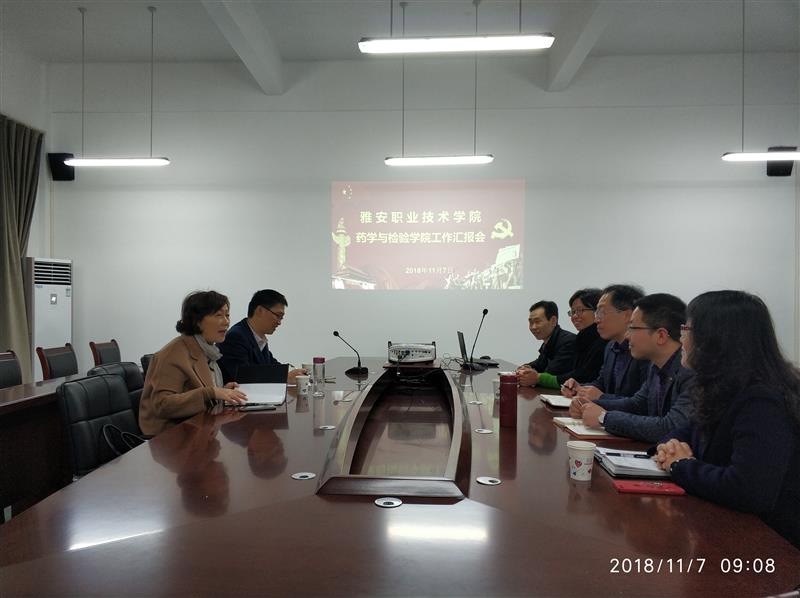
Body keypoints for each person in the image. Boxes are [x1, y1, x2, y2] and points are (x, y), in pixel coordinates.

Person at [654, 291, 800, 549]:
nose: (681, 337)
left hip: (769, 547)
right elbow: (685, 430)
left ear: (716, 338)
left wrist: (681, 466)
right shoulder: (722, 387)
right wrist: (670, 445)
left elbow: (748, 489)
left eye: (687, 329)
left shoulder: (762, 401)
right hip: (723, 528)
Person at [573, 293, 693, 443]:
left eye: (632, 328)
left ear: (661, 336)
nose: (627, 336)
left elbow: (669, 427)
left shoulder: (690, 371)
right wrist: (587, 404)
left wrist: (604, 417)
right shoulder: (657, 366)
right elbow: (637, 404)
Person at [139, 290, 247, 437]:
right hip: (171, 438)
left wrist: (221, 391)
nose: (226, 322)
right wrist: (212, 392)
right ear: (197, 321)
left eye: (227, 315)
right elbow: (162, 405)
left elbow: (199, 390)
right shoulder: (174, 354)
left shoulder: (207, 350)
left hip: (198, 431)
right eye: (218, 315)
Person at [561, 284, 649, 402]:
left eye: (602, 312)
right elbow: (602, 383)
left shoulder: (645, 350)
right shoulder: (611, 346)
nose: (596, 320)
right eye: (597, 313)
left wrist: (602, 397)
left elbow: (643, 403)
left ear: (626, 315)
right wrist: (579, 388)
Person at [218, 289, 305, 384]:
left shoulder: (258, 338)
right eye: (278, 315)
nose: (279, 322)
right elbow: (244, 377)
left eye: (281, 318)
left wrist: (294, 372)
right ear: (260, 311)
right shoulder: (236, 336)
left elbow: (271, 366)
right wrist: (284, 376)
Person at [535, 288, 606, 389]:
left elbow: (584, 375)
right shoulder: (582, 338)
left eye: (580, 310)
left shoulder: (603, 340)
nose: (575, 316)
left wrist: (539, 378)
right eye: (572, 312)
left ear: (597, 311)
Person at [516, 300, 576, 387]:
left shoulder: (568, 342)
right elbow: (539, 364)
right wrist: (525, 367)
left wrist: (532, 376)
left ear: (553, 321)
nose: (533, 327)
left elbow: (551, 373)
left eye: (537, 321)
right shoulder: (549, 340)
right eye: (531, 322)